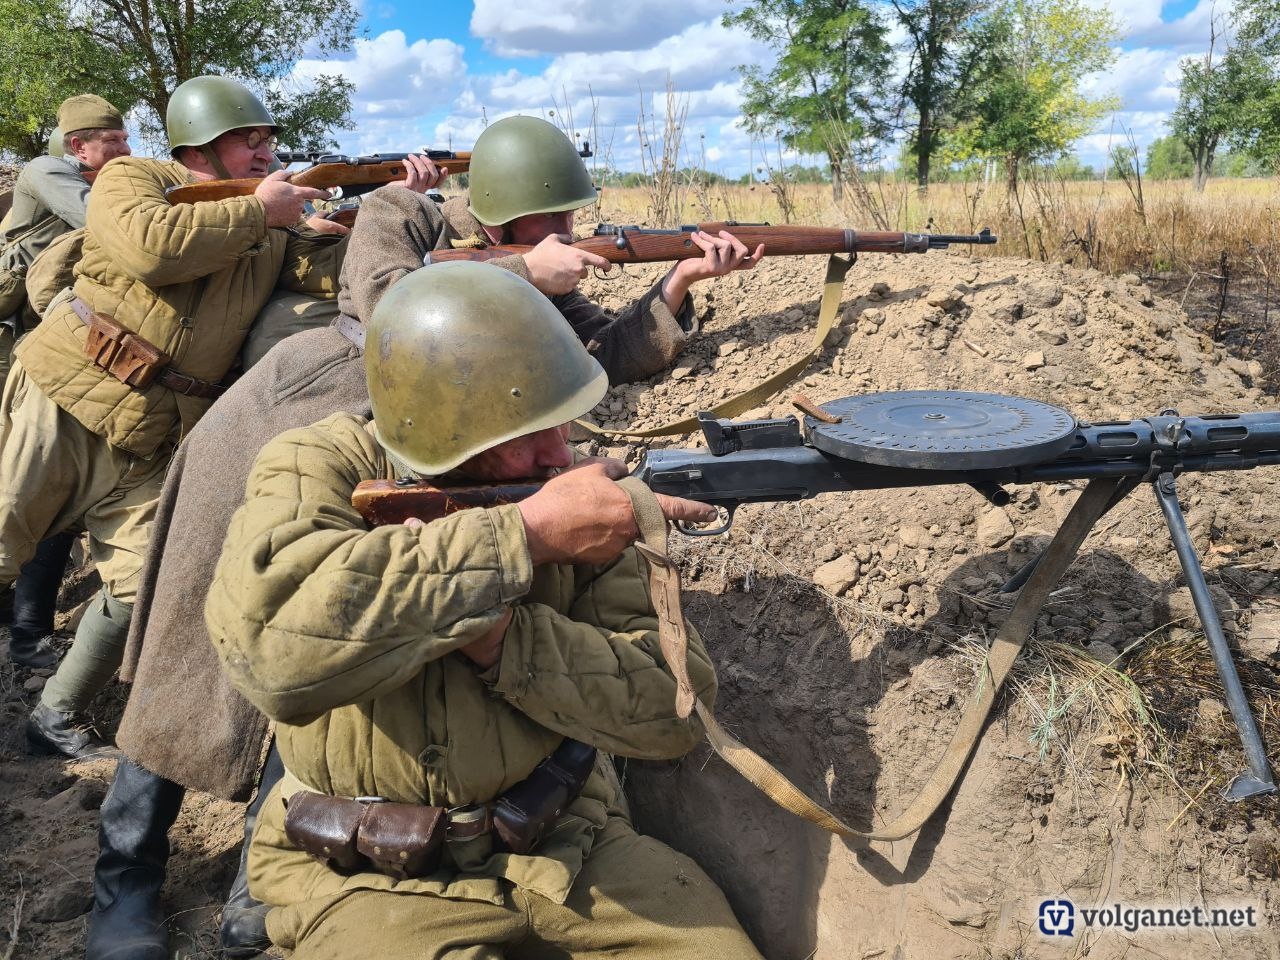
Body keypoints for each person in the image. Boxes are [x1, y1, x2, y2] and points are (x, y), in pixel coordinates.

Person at [204, 261, 763, 959]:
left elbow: (672, 709)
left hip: (567, 845)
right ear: (442, 431)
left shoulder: (575, 489)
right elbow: (271, 652)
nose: (559, 452)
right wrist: (518, 540)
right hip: (364, 878)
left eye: (560, 422)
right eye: (524, 432)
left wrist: (504, 639)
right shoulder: (315, 465)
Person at [83, 153, 445, 960]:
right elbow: (384, 290)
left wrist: (670, 291)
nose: (562, 235)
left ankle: (256, 890)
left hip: (359, 471)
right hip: (262, 435)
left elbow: (590, 360)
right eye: (546, 220)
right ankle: (125, 879)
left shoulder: (533, 281)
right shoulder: (413, 221)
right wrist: (404, 194)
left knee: (310, 678)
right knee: (184, 662)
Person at [4, 74, 346, 761]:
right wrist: (259, 212)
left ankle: (53, 715)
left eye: (268, 138)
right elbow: (150, 247)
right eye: (246, 138)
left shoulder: (273, 225)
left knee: (143, 589)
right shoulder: (132, 177)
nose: (263, 149)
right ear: (199, 143)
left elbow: (331, 279)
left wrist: (367, 222)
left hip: (149, 434)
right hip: (64, 396)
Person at [339, 114, 763, 385]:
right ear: (500, 213)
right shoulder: (397, 211)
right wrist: (523, 272)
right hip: (344, 392)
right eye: (549, 215)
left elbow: (604, 356)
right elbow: (388, 315)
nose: (565, 230)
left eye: (570, 214)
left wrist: (680, 278)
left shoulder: (542, 260)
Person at [0, 95, 131, 670]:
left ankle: (25, 629)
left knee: (50, 496)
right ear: (79, 145)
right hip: (11, 350)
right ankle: (24, 633)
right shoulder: (45, 170)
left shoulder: (105, 177)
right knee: (21, 490)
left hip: (52, 348)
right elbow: (104, 222)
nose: (127, 151)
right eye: (114, 142)